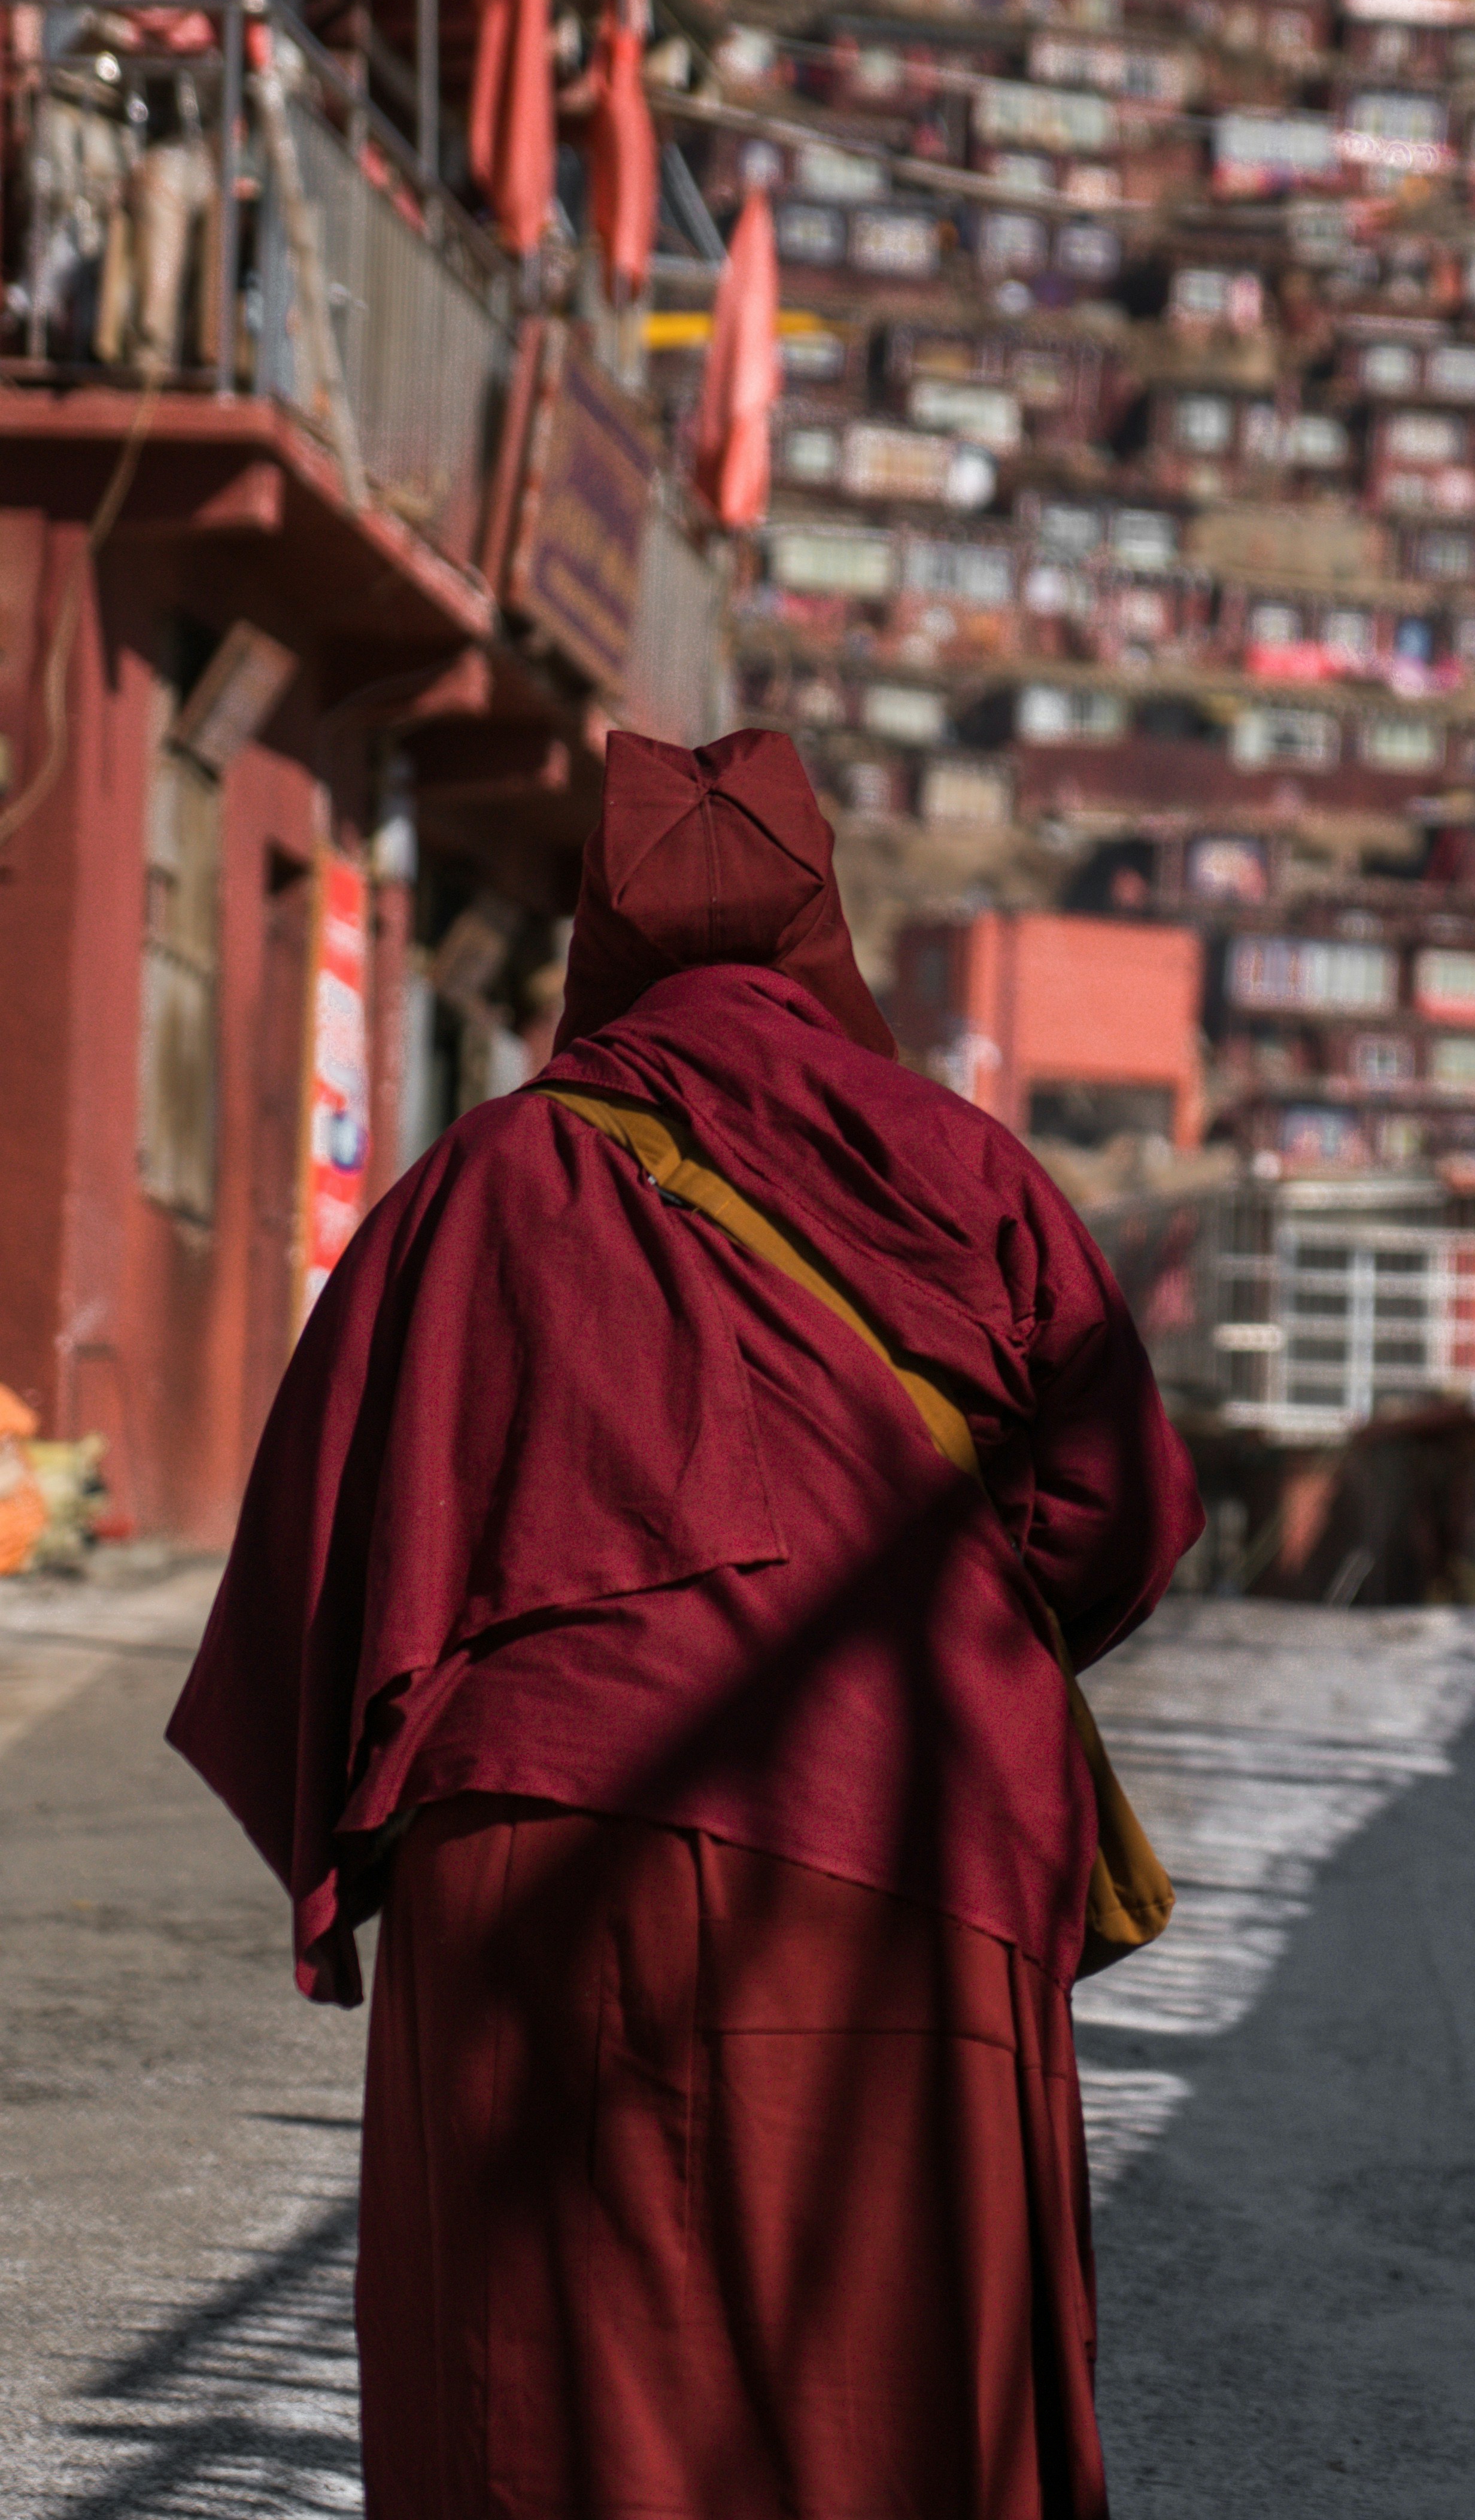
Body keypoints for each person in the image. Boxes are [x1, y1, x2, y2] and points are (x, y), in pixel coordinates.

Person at [169, 726, 1201, 2520]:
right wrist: (936, 1636)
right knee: (891, 2373)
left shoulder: (484, 1181)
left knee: (557, 2372)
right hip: (909, 1833)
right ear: (824, 926)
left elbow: (319, 1545)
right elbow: (1114, 1512)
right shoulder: (964, 1173)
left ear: (599, 929)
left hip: (541, 1843)